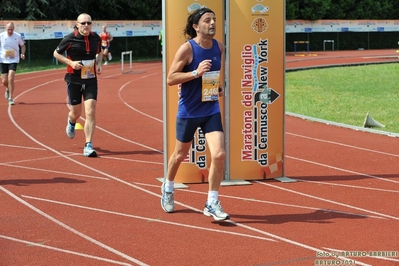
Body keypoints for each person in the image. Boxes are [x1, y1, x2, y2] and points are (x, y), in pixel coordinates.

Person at [161, 7, 229, 221]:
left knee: (219, 154)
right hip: (189, 111)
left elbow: (219, 73)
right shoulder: (187, 49)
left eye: (214, 20)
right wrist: (195, 73)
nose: (212, 24)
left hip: (210, 109)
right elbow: (170, 78)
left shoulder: (219, 46)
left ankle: (211, 201)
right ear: (196, 26)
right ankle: (168, 187)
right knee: (179, 155)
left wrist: (218, 86)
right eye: (207, 20)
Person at [53, 13, 103, 157]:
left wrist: (99, 63)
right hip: (73, 79)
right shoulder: (69, 38)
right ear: (77, 24)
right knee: (76, 113)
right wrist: (71, 63)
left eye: (89, 23)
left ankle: (88, 145)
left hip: (90, 79)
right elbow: (56, 54)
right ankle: (71, 121)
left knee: (90, 111)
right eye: (83, 23)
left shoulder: (96, 38)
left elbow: (99, 53)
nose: (86, 25)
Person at [0, 22, 26, 105]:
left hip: (13, 60)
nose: (10, 31)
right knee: (4, 81)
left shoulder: (17, 36)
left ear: (13, 29)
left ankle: (11, 98)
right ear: (6, 29)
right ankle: (8, 88)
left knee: (10, 78)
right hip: (3, 60)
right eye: (8, 29)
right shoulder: (1, 36)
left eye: (11, 29)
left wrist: (22, 53)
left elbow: (23, 46)